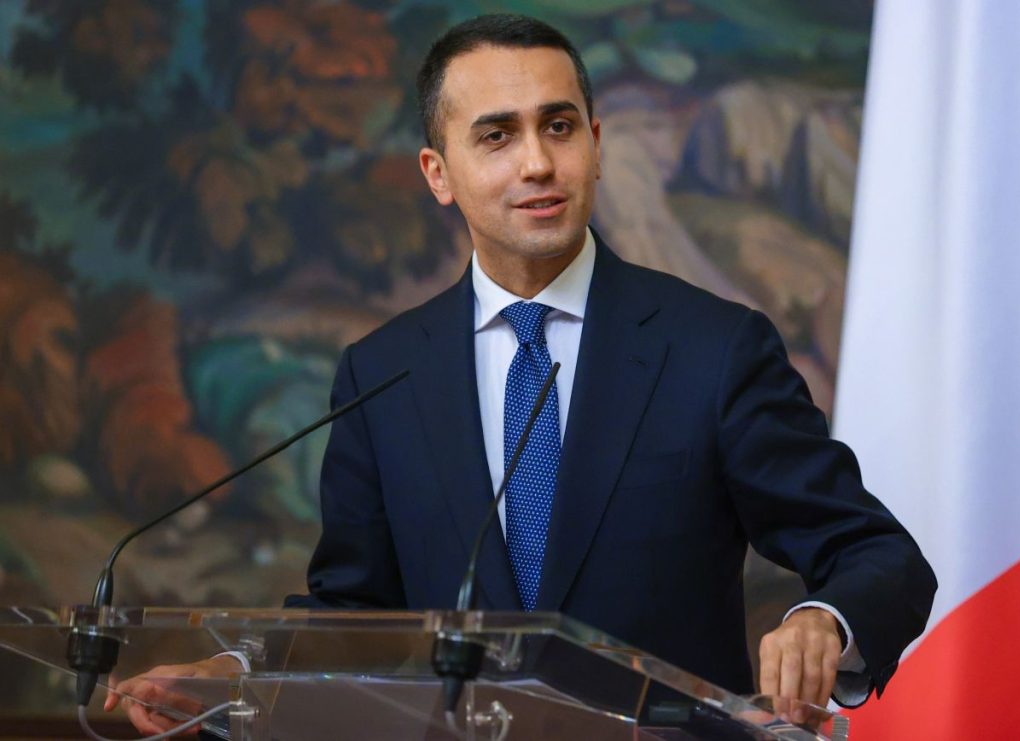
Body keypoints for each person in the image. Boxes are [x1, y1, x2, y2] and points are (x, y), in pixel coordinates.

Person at [106, 13, 936, 734]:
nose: (537, 162)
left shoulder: (713, 349)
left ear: (597, 145)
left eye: (559, 126)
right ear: (439, 174)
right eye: (497, 135)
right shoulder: (384, 372)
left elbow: (877, 554)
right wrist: (239, 674)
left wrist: (823, 619)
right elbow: (353, 613)